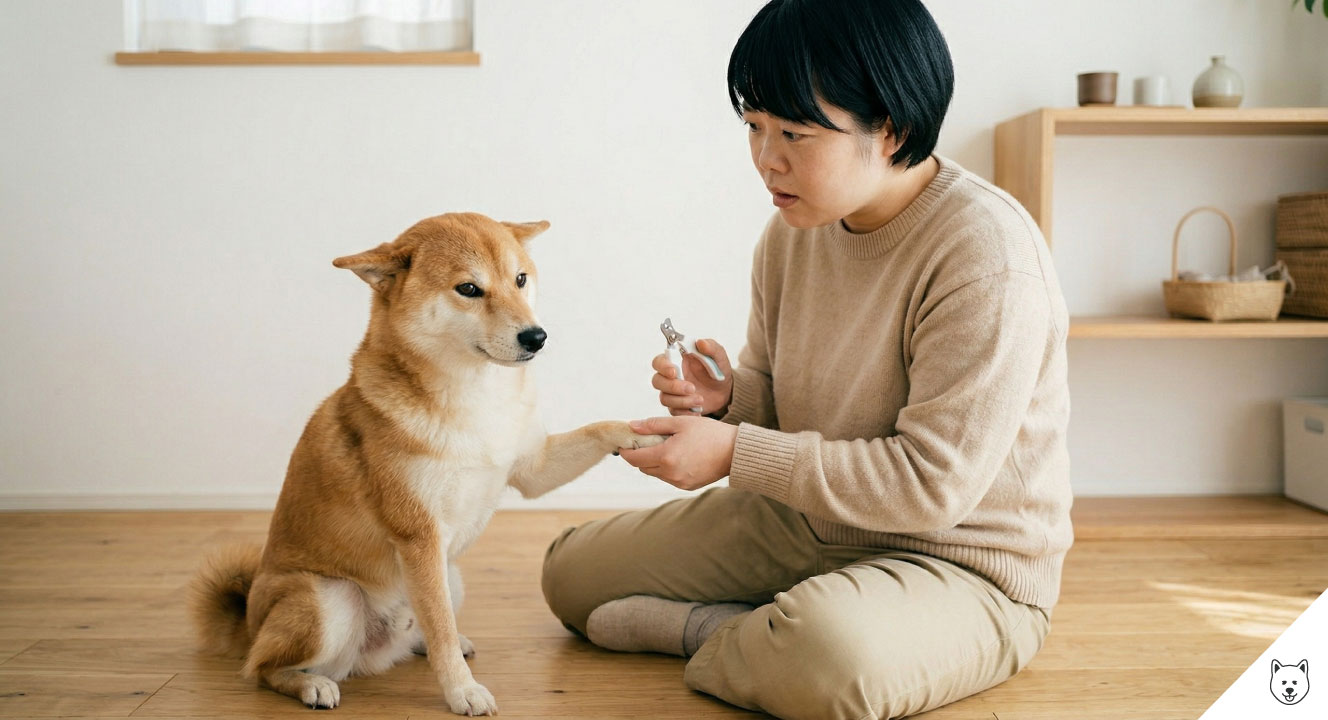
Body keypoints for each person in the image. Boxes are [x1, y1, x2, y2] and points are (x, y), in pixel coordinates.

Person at [540, 1, 1073, 717]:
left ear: (892, 130)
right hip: (808, 519)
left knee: (829, 661)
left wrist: (732, 452)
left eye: (794, 132)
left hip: (963, 563)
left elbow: (929, 487)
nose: (767, 158)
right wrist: (729, 401)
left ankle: (717, 632)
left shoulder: (986, 255)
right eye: (755, 127)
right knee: (570, 576)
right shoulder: (792, 233)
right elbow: (791, 407)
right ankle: (781, 628)